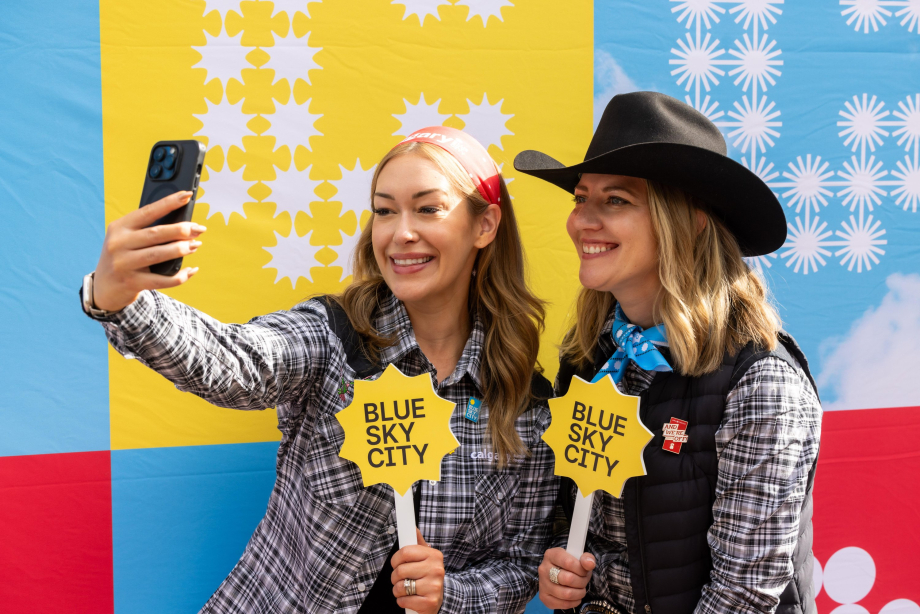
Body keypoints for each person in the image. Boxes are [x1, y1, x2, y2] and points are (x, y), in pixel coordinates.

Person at [80, 126, 558, 614]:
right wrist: (120, 298)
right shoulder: (335, 336)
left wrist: (450, 594)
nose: (400, 233)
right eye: (385, 210)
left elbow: (519, 565)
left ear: (485, 225)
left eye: (428, 208)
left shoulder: (527, 400)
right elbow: (237, 361)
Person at [513, 92, 822, 614]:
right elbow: (582, 532)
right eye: (580, 198)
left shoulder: (761, 383)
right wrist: (562, 570)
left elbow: (743, 596)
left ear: (688, 221)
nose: (582, 221)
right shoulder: (591, 360)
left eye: (615, 200)